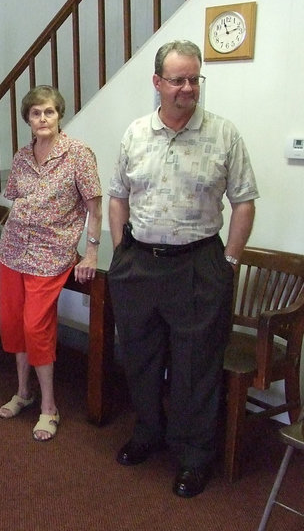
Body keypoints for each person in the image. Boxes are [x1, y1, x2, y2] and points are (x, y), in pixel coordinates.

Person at [108, 40, 258, 498]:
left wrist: (229, 260)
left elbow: (245, 201)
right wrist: (120, 251)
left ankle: (194, 457)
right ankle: (149, 433)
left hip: (198, 265)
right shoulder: (135, 133)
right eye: (178, 80)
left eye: (194, 79)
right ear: (157, 83)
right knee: (140, 357)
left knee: (196, 368)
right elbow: (117, 195)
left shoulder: (224, 134)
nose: (188, 88)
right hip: (139, 265)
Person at [0, 86, 102, 442]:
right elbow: (14, 209)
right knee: (12, 324)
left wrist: (91, 253)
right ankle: (24, 393)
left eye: (49, 112)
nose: (43, 118)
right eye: (36, 113)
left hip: (50, 255)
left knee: (36, 327)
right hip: (13, 251)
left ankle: (50, 408)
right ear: (28, 118)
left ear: (59, 115)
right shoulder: (23, 157)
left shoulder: (78, 155)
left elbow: (94, 209)